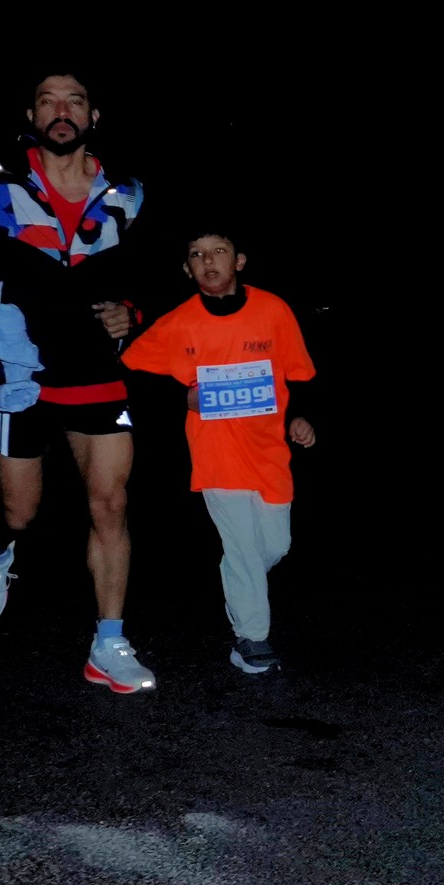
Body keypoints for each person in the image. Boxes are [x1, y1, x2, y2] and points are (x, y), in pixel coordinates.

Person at [0, 75, 155, 694]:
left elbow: (149, 273)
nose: (61, 111)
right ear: (31, 115)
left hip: (95, 368)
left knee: (110, 504)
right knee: (21, 511)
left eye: (74, 101)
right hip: (23, 370)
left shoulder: (128, 195)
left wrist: (134, 311)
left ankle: (109, 643)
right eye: (48, 101)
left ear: (93, 115)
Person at [124, 230, 315, 675]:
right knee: (244, 547)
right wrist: (183, 398)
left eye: (218, 252)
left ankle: (240, 582)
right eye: (197, 255)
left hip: (269, 452)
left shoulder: (273, 310)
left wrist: (300, 417)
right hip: (216, 453)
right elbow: (132, 371)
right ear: (187, 269)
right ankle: (252, 639)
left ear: (239, 261)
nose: (208, 261)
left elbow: (300, 372)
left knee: (276, 545)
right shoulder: (178, 323)